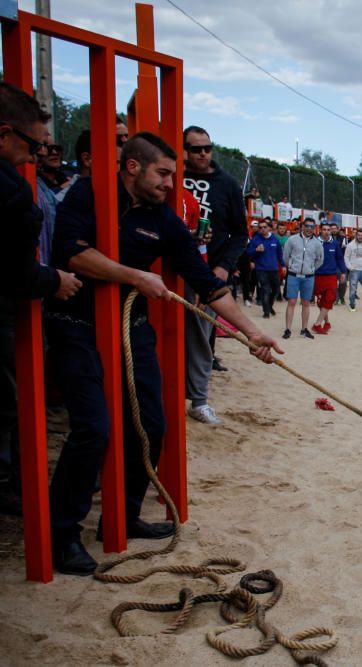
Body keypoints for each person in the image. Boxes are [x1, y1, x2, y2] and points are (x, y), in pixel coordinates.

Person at [47, 132, 282, 575]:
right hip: (76, 325)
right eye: (163, 173)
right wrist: (134, 276)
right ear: (132, 167)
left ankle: (126, 515)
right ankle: (62, 533)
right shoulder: (89, 194)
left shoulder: (164, 218)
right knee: (93, 428)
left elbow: (206, 282)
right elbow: (71, 253)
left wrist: (252, 333)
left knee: (152, 424)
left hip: (130, 328)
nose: (170, 184)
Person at [0, 83, 82, 515]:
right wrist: (53, 281)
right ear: (3, 134)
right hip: (9, 310)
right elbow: (13, 271)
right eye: (31, 145)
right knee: (9, 402)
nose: (35, 156)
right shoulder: (12, 191)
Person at [181, 126, 248, 424]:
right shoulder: (170, 177)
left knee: (201, 335)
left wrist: (222, 268)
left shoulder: (228, 185)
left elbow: (240, 235)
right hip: (170, 266)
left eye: (207, 147)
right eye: (195, 149)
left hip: (209, 271)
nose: (203, 153)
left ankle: (199, 399)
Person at [281, 219, 323, 339]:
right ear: (302, 226)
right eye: (307, 226)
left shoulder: (317, 243)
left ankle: (304, 329)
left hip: (308, 276)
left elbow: (320, 259)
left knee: (306, 303)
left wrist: (311, 269)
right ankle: (288, 329)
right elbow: (286, 256)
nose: (309, 229)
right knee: (291, 302)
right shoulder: (292, 240)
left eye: (312, 226)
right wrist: (292, 266)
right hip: (294, 275)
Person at [312, 221, 346, 334]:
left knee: (330, 298)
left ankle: (317, 324)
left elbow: (340, 258)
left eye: (328, 230)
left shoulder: (335, 244)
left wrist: (343, 272)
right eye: (324, 229)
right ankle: (327, 322)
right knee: (321, 301)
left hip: (331, 275)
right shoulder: (315, 242)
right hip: (318, 275)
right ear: (320, 230)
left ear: (331, 231)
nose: (326, 232)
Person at [246, 219, 283, 318]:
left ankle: (269, 306)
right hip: (261, 270)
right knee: (265, 290)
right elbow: (248, 252)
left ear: (269, 228)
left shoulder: (275, 239)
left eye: (264, 227)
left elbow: (279, 254)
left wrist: (283, 265)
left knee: (276, 290)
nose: (262, 229)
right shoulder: (255, 239)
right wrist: (256, 250)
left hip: (274, 269)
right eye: (260, 227)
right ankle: (266, 311)